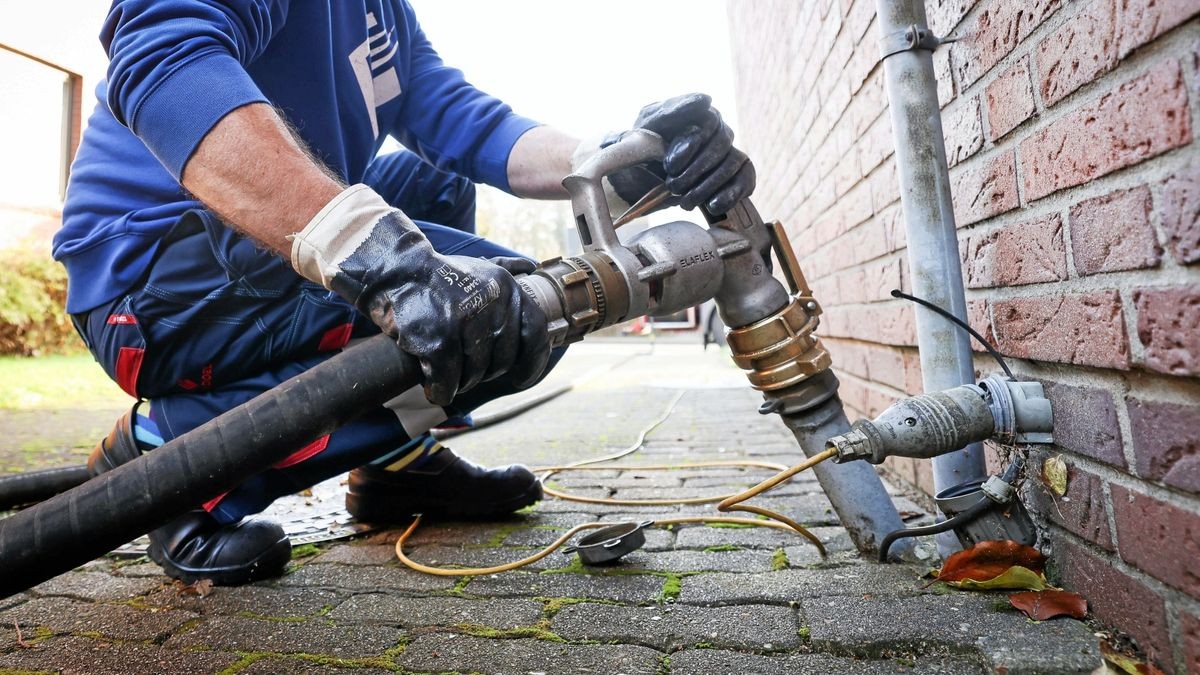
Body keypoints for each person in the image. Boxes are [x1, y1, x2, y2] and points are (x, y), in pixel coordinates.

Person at [56, 0, 755, 586]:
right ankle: (172, 465)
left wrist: (618, 160)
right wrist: (368, 249)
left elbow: (466, 121)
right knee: (503, 315)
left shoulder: (380, 13)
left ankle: (397, 468)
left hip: (234, 256)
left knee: (450, 212)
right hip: (147, 279)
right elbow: (163, 54)